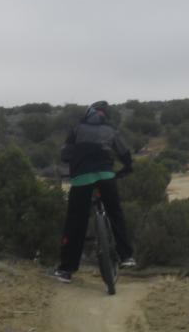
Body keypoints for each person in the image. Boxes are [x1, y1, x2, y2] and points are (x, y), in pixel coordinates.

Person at [52, 101, 136, 282]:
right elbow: (124, 153)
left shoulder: (76, 129)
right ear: (106, 115)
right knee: (116, 214)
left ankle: (66, 270)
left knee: (75, 223)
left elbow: (65, 154)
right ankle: (127, 257)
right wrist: (127, 168)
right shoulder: (110, 131)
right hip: (106, 177)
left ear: (88, 113)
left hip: (82, 180)